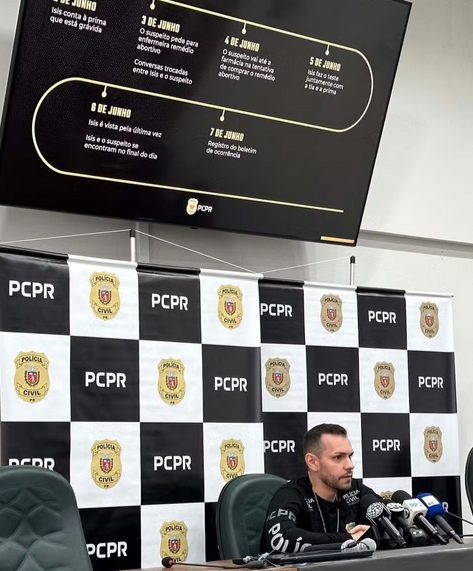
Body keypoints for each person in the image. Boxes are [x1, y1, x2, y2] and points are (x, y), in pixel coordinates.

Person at [262, 423, 380, 552]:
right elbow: (280, 539)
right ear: (312, 462)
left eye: (349, 456)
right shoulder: (290, 494)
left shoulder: (355, 490)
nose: (350, 465)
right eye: (338, 457)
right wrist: (347, 539)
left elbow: (389, 520)